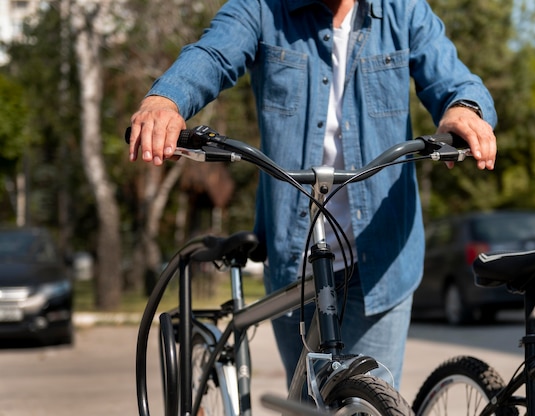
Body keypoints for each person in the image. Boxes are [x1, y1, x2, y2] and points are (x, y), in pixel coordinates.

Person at [128, 0, 497, 388]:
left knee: (369, 405)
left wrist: (464, 109)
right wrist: (165, 101)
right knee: (309, 400)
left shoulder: (402, 10)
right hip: (295, 261)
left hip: (380, 260)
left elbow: (452, 78)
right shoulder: (263, 8)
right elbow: (213, 54)